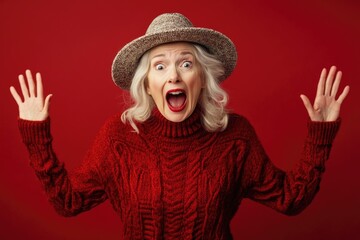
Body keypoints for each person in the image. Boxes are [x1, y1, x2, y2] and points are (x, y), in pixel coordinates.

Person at [9, 13, 349, 239]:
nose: (173, 75)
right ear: (145, 83)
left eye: (185, 63)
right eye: (159, 66)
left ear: (201, 78)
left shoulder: (235, 136)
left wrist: (320, 136)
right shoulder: (118, 138)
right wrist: (37, 136)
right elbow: (68, 203)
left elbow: (290, 199)